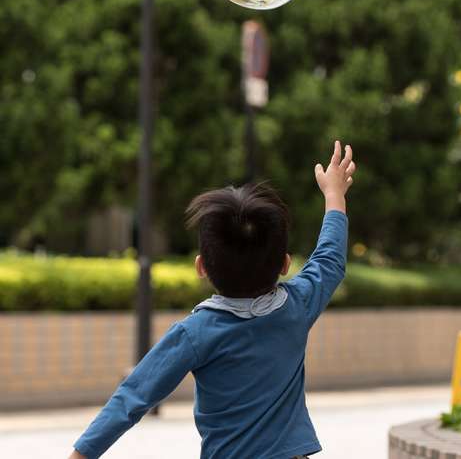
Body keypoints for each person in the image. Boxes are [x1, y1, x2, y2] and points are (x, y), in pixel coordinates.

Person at [69, 140, 355, 459]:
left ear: (201, 267)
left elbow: (133, 396)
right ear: (285, 264)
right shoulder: (296, 306)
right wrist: (334, 195)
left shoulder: (196, 332)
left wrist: (80, 455)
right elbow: (330, 260)